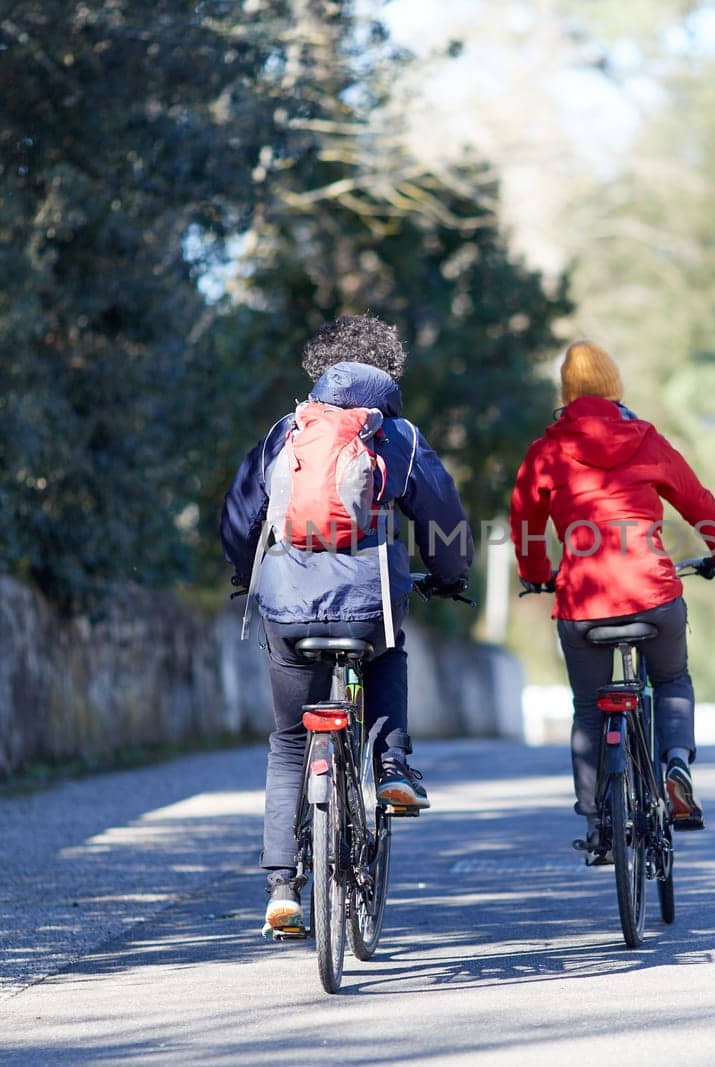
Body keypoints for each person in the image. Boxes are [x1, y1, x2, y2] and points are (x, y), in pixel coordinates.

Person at [222, 314, 473, 933]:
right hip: (368, 606)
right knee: (388, 653)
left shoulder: (289, 431)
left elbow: (239, 516)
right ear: (388, 378)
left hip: (285, 605)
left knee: (288, 743)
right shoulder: (400, 436)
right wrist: (449, 574)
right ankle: (391, 768)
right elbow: (441, 517)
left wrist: (242, 569)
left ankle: (283, 886)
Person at [510, 340, 715, 859]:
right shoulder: (645, 439)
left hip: (582, 604)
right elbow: (697, 501)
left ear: (566, 397)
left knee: (590, 711)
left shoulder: (546, 451)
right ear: (616, 391)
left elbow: (524, 525)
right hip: (653, 595)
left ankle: (598, 825)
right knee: (670, 679)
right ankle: (676, 765)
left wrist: (538, 574)